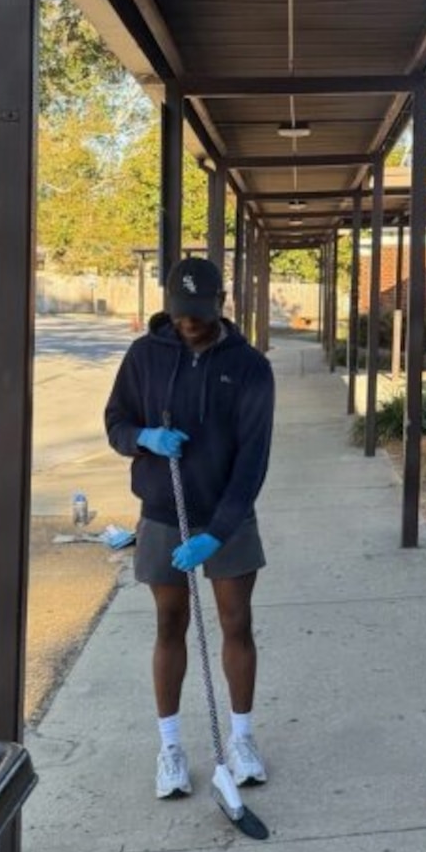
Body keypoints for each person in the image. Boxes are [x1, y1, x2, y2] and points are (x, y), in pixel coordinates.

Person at [105, 256, 275, 800]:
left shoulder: (249, 366)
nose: (189, 322)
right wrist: (144, 438)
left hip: (228, 515)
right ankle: (171, 747)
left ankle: (241, 738)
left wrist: (218, 531)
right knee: (169, 623)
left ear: (221, 303)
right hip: (163, 512)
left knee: (236, 621)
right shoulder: (144, 356)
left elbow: (253, 460)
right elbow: (116, 422)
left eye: (199, 312)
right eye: (181, 312)